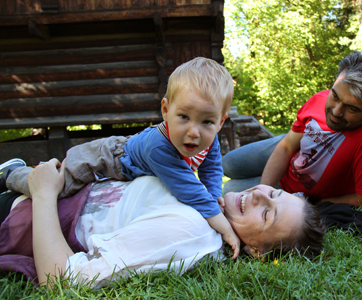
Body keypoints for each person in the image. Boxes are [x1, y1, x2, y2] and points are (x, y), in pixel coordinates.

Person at [0, 57, 241, 258]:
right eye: (184, 117)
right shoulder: (158, 146)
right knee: (58, 185)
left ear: (220, 122)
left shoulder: (210, 140)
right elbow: (188, 189)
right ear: (166, 110)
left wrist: (214, 196)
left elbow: (211, 171)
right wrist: (222, 225)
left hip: (126, 169)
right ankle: (11, 174)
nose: (194, 132)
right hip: (107, 157)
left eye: (207, 121)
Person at [0, 159, 325, 288]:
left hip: (14, 217)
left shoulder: (192, 232)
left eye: (267, 213)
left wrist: (43, 193)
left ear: (256, 250)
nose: (259, 195)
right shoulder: (208, 210)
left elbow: (63, 282)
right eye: (274, 192)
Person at [223, 49, 362, 207]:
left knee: (228, 190)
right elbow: (286, 146)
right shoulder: (319, 98)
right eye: (335, 96)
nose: (336, 112)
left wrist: (320, 203)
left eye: (352, 108)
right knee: (228, 163)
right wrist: (263, 191)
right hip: (292, 151)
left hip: (296, 190)